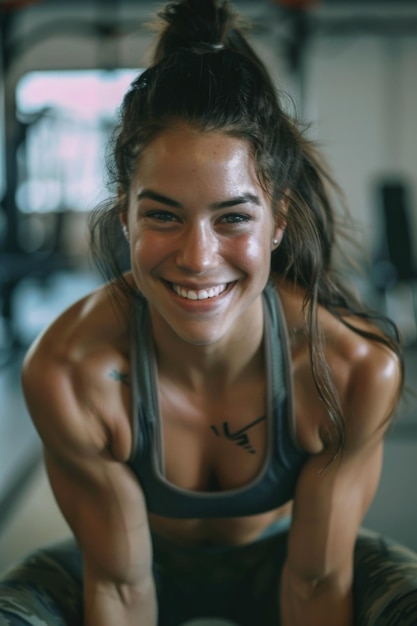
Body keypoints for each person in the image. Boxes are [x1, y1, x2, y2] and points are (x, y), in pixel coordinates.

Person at [11, 0, 406, 624]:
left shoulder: (350, 370)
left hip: (298, 557)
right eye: (163, 215)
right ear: (125, 216)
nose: (198, 258)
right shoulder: (69, 371)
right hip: (117, 562)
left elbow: (316, 584)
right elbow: (118, 589)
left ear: (278, 219)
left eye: (233, 218)